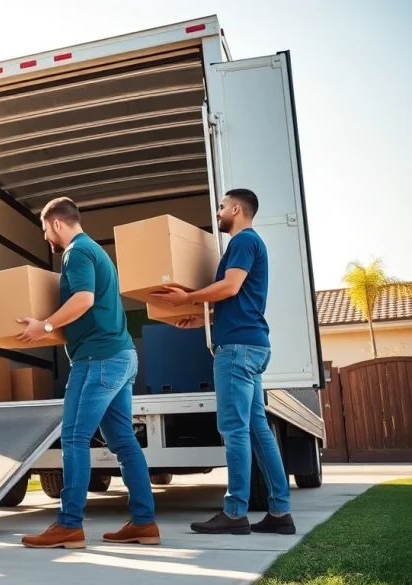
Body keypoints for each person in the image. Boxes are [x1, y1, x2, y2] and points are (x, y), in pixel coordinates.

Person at [150, 188, 295, 536]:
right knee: (257, 430)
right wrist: (203, 319)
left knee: (234, 430)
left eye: (221, 207)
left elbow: (230, 287)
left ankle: (234, 512)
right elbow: (238, 300)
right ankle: (279, 512)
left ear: (236, 209)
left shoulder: (243, 241)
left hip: (237, 350)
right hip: (252, 345)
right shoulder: (248, 244)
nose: (217, 212)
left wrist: (188, 297)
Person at [17, 196, 159, 549]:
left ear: (57, 223)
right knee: (123, 442)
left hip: (98, 359)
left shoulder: (76, 252)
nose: (45, 237)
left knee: (74, 438)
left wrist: (45, 327)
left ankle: (69, 525)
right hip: (120, 355)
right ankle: (144, 523)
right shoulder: (95, 251)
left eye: (45, 229)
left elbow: (83, 300)